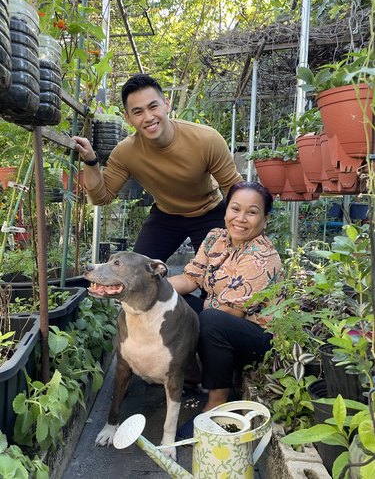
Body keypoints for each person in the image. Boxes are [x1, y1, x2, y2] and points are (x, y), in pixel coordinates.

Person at [74, 74, 243, 261]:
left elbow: (234, 189)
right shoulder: (125, 152)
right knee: (137, 274)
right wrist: (90, 160)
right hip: (166, 215)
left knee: (217, 278)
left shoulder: (206, 139)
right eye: (137, 112)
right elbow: (100, 197)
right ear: (127, 118)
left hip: (209, 212)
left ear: (166, 104)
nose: (148, 117)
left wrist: (241, 231)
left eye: (153, 107)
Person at [168, 181, 283, 437]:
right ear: (226, 210)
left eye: (252, 212)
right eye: (235, 209)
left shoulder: (261, 256)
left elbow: (231, 313)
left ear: (264, 220)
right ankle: (190, 371)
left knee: (211, 321)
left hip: (256, 338)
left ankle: (217, 403)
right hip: (219, 319)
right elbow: (190, 280)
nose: (241, 219)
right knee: (172, 300)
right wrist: (151, 288)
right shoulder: (215, 239)